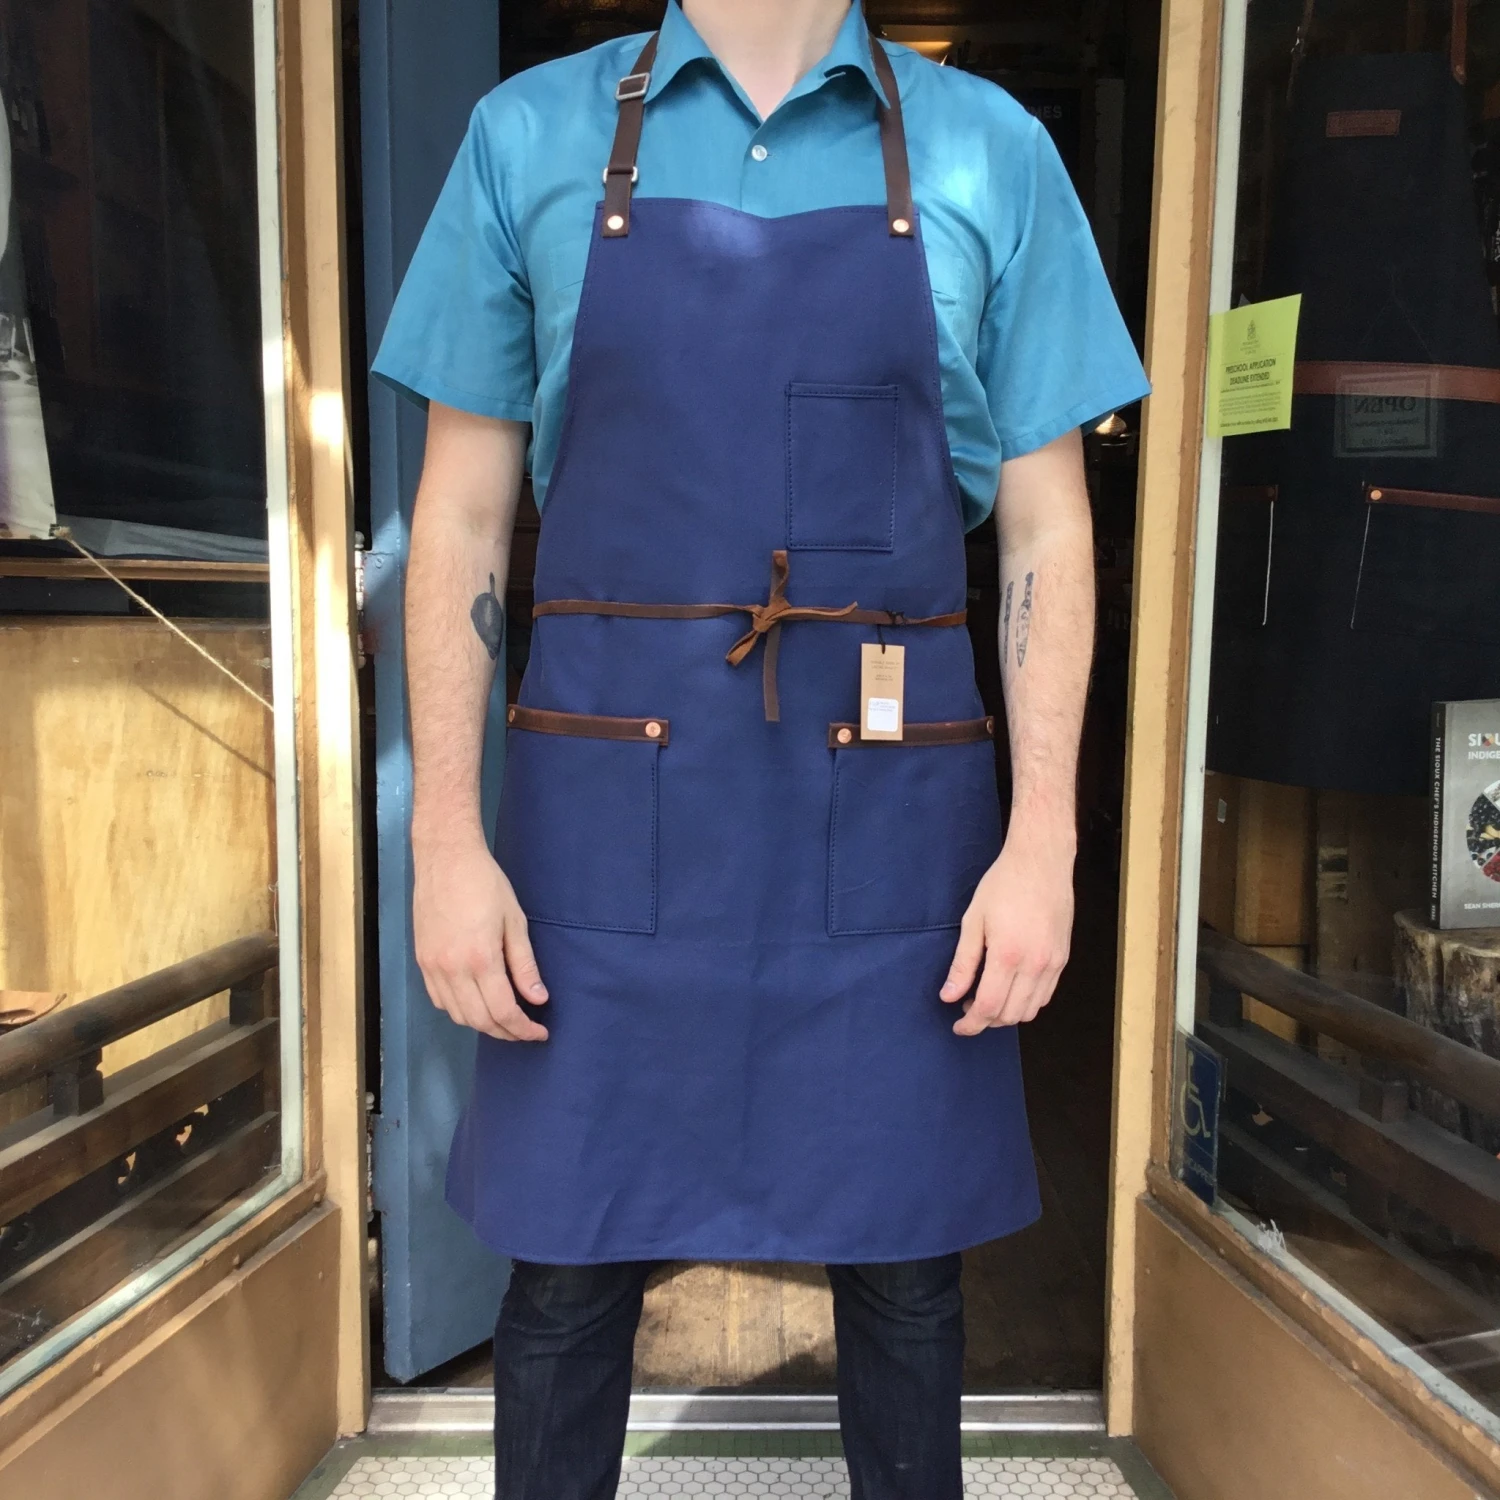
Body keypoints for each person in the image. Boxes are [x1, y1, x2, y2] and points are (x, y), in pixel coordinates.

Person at [373, 2, 1149, 1496]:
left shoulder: (990, 150)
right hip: (610, 817)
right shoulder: (527, 136)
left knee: (906, 1265)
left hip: (888, 813)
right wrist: (448, 842)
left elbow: (1049, 530)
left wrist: (1043, 838)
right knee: (567, 1266)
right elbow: (458, 522)